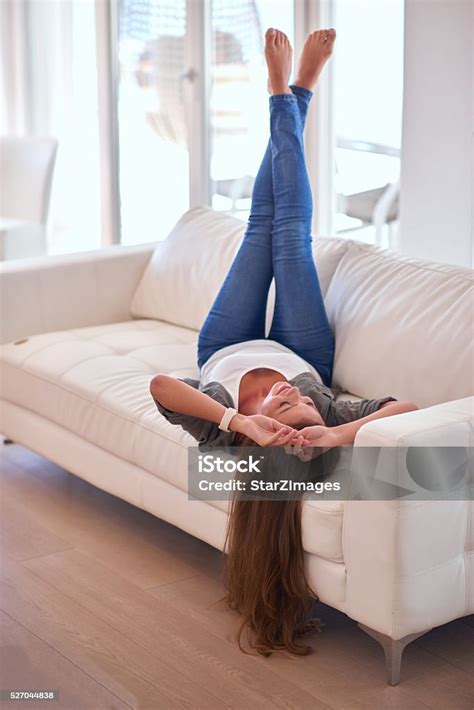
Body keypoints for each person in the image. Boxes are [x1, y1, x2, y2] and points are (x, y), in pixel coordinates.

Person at [150, 28, 418, 655]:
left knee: (260, 225)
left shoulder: (227, 434)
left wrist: (239, 425)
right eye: (300, 419)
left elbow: (161, 388)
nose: (289, 414)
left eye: (281, 421)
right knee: (291, 230)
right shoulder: (324, 414)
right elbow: (406, 410)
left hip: (227, 340)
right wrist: (339, 435)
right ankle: (292, 90)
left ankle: (293, 91)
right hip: (302, 345)